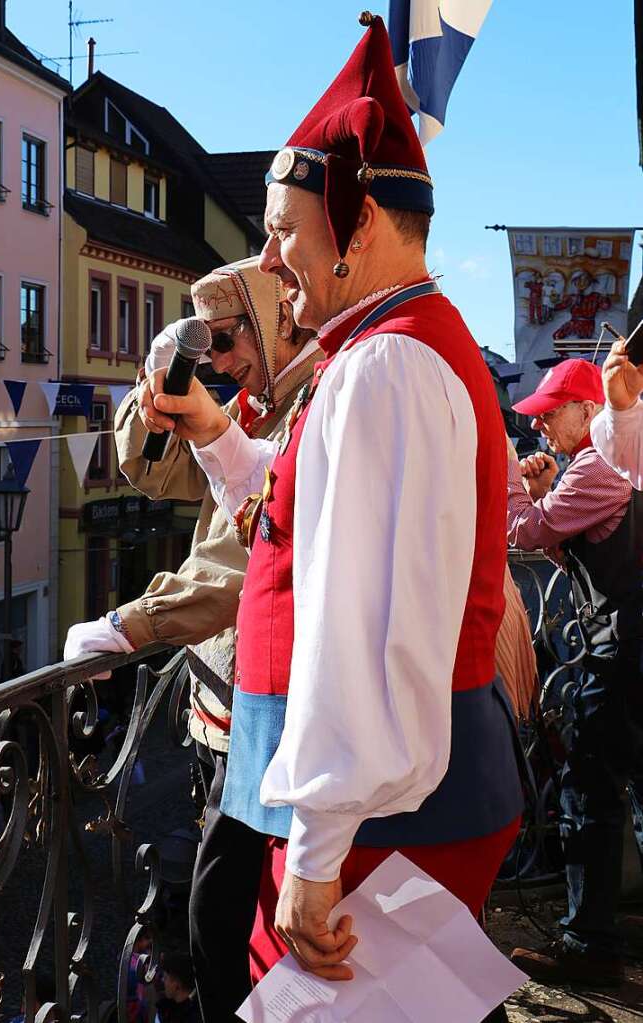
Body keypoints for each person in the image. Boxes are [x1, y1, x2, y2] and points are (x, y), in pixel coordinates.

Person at [145, 14, 522, 1018]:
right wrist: (215, 435)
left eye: (280, 228)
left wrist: (314, 850)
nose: (270, 259)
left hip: (374, 825)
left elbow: (354, 630)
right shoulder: (395, 348)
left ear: (354, 225)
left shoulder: (380, 366)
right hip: (397, 807)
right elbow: (301, 514)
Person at [64, 255, 320, 1022]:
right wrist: (154, 391)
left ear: (276, 317)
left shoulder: (311, 397)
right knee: (231, 908)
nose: (217, 355)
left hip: (272, 701)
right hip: (230, 703)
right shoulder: (259, 396)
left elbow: (251, 555)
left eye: (225, 334)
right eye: (205, 340)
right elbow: (155, 471)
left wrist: (130, 623)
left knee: (227, 913)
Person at [505, 358, 643, 985]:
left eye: (549, 415)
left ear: (590, 411)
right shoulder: (618, 457)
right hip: (629, 641)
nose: (541, 429)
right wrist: (546, 493)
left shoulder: (600, 461)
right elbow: (577, 540)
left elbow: (529, 532)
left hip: (620, 650)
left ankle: (589, 944)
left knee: (587, 790)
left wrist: (516, 487)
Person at [590, 335, 643, 489]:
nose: (536, 424)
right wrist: (622, 409)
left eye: (550, 414)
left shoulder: (587, 467)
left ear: (586, 409)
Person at [155, 953, 201, 1023]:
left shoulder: (194, 1016)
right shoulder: (165, 1009)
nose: (163, 980)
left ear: (177, 985)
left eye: (165, 977)